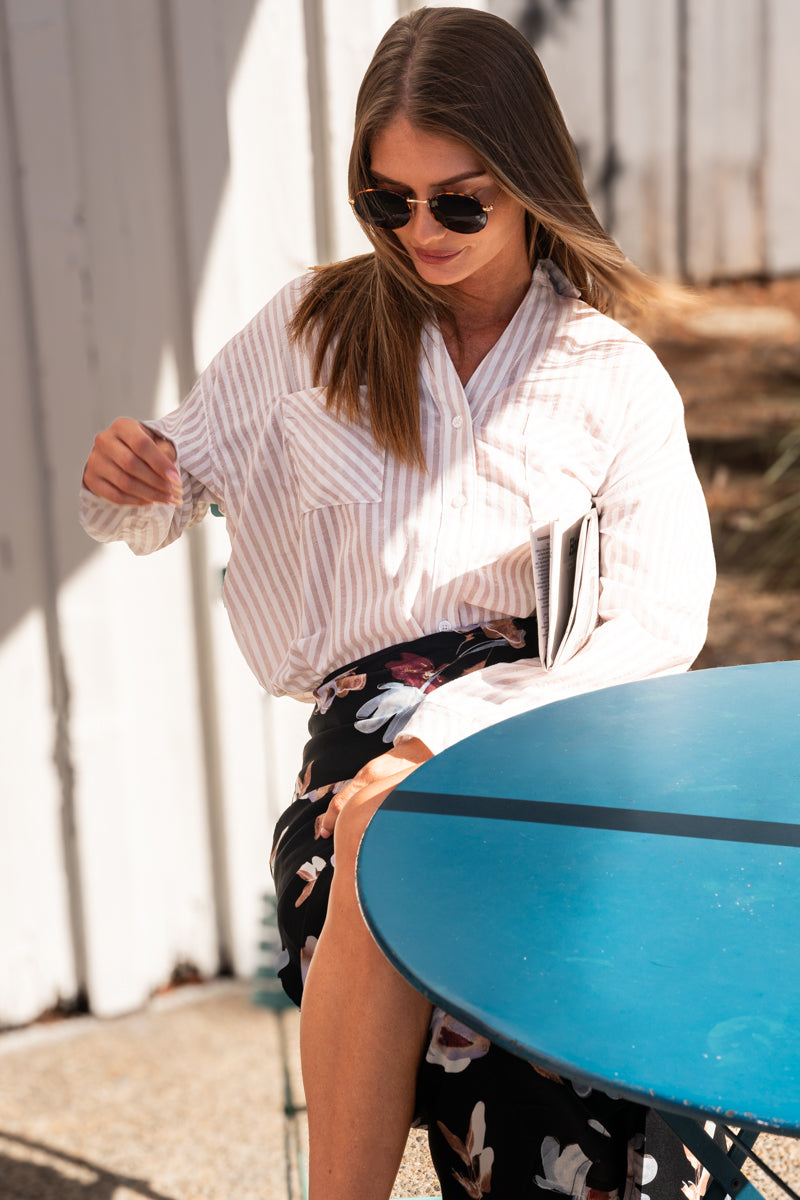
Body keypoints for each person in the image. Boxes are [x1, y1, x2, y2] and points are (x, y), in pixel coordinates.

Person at [80, 7, 716, 1199]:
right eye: (388, 202)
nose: (418, 232)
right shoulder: (312, 331)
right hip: (363, 737)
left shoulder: (608, 377)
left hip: (549, 727)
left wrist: (449, 734)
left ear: (528, 181)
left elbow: (653, 622)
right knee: (372, 834)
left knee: (536, 1015)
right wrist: (131, 478)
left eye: (457, 202)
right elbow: (166, 490)